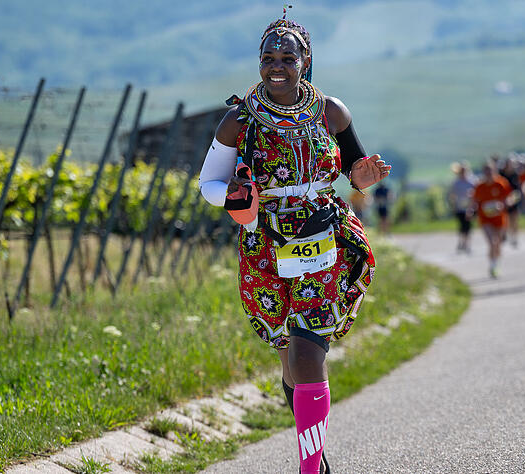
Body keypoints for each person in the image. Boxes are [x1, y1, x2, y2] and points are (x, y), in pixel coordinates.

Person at [198, 15, 390, 474]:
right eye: (268, 58)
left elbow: (354, 168)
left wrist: (361, 178)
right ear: (259, 63)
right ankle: (317, 458)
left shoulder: (331, 112)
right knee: (291, 359)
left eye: (288, 57)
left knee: (307, 351)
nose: (277, 66)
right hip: (266, 244)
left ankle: (308, 469)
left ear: (306, 61)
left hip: (324, 236)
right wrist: (235, 196)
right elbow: (208, 183)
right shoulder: (237, 120)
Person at [472, 161, 514, 278]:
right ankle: (492, 265)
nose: (488, 173)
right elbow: (475, 201)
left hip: (500, 218)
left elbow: (510, 198)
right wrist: (471, 210)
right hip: (485, 219)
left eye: (490, 171)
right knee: (492, 242)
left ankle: (496, 262)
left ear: (494, 171)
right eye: (486, 171)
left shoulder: (501, 183)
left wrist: (503, 204)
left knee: (498, 243)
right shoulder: (480, 186)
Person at [447, 162, 475, 254]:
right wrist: (453, 205)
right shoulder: (456, 182)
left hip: (469, 207)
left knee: (468, 227)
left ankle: (467, 244)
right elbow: (452, 195)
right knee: (461, 227)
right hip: (459, 207)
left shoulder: (472, 181)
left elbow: (475, 195)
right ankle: (461, 242)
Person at [498, 155, 522, 248]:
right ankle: (504, 235)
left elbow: (518, 190)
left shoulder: (516, 175)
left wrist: (512, 200)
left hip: (514, 200)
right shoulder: (501, 175)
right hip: (503, 201)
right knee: (504, 219)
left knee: (514, 219)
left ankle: (514, 237)